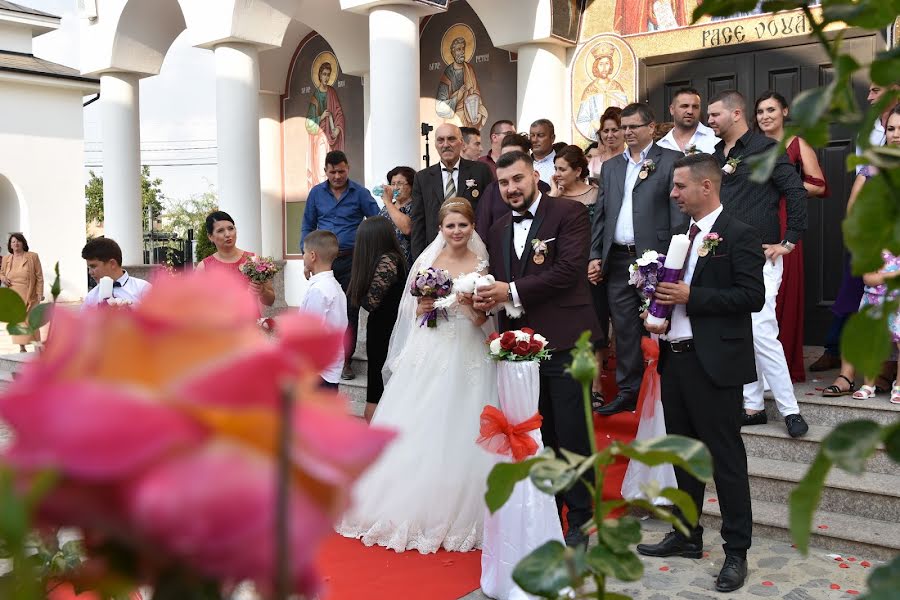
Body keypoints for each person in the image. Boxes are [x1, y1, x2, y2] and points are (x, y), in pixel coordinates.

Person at [337, 199, 496, 553]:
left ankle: (461, 504)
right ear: (440, 229)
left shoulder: (482, 263)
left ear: (472, 228)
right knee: (421, 417)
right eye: (450, 226)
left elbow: (486, 318)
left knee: (465, 420)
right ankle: (405, 502)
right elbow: (411, 312)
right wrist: (425, 307)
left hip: (469, 347)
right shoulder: (427, 262)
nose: (456, 232)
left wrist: (468, 306)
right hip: (431, 346)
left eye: (462, 225)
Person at [639, 153, 763, 593]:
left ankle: (736, 552)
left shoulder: (739, 234)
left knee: (726, 459)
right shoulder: (680, 237)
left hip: (715, 364)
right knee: (684, 454)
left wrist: (693, 295)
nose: (672, 194)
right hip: (676, 358)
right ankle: (688, 535)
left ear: (705, 187)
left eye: (679, 186)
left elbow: (752, 296)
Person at [474, 151, 601, 548]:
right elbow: (497, 278)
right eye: (504, 182)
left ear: (534, 175)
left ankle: (581, 516)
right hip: (520, 347)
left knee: (572, 431)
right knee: (536, 432)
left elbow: (568, 271)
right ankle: (549, 510)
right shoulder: (495, 228)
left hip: (565, 341)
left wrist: (509, 290)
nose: (511, 188)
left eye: (517, 179)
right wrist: (481, 299)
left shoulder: (569, 214)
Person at [707, 90, 810, 437]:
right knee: (740, 330)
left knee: (761, 330)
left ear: (736, 114)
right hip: (722, 255)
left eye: (714, 115)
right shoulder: (714, 155)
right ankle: (752, 406)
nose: (709, 121)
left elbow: (795, 192)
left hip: (759, 255)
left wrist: (790, 240)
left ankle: (789, 409)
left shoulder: (767, 149)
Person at [589, 102, 685, 416]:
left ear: (651, 128)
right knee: (626, 329)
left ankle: (665, 391)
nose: (627, 132)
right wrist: (595, 255)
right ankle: (629, 392)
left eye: (633, 127)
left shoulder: (670, 161)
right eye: (623, 127)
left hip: (654, 260)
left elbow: (678, 217)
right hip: (617, 260)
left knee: (659, 324)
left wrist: (672, 263)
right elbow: (600, 216)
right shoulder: (612, 166)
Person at [810, 80, 899, 372]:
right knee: (858, 291)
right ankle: (843, 359)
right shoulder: (869, 139)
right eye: (891, 130)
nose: (869, 96)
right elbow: (858, 192)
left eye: (876, 89)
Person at [755, 90, 828, 383]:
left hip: (786, 222)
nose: (765, 116)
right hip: (757, 221)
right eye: (760, 111)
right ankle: (757, 371)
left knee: (783, 293)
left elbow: (819, 185)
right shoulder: (751, 146)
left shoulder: (797, 143)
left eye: (771, 110)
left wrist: (787, 184)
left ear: (785, 112)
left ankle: (782, 370)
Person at [301, 150, 381, 380]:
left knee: (349, 312)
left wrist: (371, 256)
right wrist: (307, 258)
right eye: (332, 171)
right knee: (322, 311)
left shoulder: (360, 193)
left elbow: (375, 221)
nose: (337, 176)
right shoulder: (316, 194)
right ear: (325, 171)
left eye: (341, 171)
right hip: (323, 261)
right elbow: (307, 225)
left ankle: (345, 361)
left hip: (352, 261)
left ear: (348, 168)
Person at [549, 145, 609, 405]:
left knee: (594, 324)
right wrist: (552, 193)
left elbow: (604, 230)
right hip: (564, 269)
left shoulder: (596, 194)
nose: (558, 173)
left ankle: (596, 385)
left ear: (578, 170)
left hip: (591, 268)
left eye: (562, 169)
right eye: (555, 169)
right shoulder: (554, 199)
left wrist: (598, 262)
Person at [347, 217, 407, 422]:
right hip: (385, 328)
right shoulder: (393, 257)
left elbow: (370, 302)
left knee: (377, 385)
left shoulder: (387, 261)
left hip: (385, 330)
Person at [410, 123, 493, 259]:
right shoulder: (422, 178)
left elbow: (490, 213)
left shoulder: (481, 171)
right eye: (440, 140)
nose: (446, 144)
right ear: (435, 144)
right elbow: (418, 222)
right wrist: (419, 259)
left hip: (473, 253)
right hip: (435, 254)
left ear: (462, 143)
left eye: (451, 139)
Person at [475, 132, 551, 243]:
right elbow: (482, 228)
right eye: (505, 157)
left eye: (515, 156)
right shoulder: (492, 190)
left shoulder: (544, 188)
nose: (511, 189)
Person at [299, 230, 347, 391]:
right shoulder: (335, 286)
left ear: (312, 255)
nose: (303, 257)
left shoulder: (319, 290)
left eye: (304, 253)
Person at [197, 211, 276, 307]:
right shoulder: (204, 267)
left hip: (251, 321)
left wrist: (263, 291)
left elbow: (270, 301)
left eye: (231, 228)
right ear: (210, 237)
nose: (227, 234)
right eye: (220, 230)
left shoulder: (253, 260)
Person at [81, 237, 152, 308]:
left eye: (93, 266)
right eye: (88, 268)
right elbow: (83, 318)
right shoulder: (91, 298)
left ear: (112, 264)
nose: (90, 272)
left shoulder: (143, 289)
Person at [1, 233, 43, 351]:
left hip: (30, 293)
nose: (16, 244)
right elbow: (2, 273)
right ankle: (22, 347)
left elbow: (39, 276)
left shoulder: (33, 256)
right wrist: (3, 278)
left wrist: (40, 292)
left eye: (18, 241)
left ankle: (37, 346)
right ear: (10, 245)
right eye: (13, 242)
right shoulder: (6, 258)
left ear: (23, 243)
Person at [656, 87, 720, 155]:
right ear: (672, 110)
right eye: (684, 106)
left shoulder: (715, 139)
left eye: (695, 107)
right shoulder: (661, 146)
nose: (690, 111)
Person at [377, 165, 416, 268]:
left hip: (406, 263)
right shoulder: (386, 208)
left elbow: (407, 229)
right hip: (384, 263)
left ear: (411, 186)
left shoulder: (416, 207)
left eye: (399, 183)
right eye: (393, 184)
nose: (395, 188)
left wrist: (387, 202)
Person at [587, 107, 625, 180]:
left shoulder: (631, 159)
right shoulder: (593, 161)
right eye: (606, 131)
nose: (610, 135)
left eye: (614, 130)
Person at [529, 119, 557, 185]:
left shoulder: (560, 166)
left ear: (552, 138)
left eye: (540, 135)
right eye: (532, 135)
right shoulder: (524, 163)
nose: (534, 140)